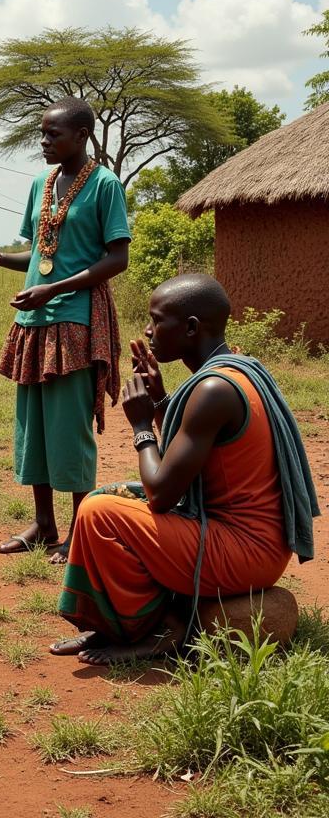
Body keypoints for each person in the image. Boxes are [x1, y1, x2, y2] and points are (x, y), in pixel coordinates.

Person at [51, 274, 320, 666]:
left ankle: (154, 630)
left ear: (191, 327)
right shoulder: (235, 371)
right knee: (110, 496)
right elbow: (190, 458)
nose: (148, 330)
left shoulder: (214, 391)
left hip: (245, 551)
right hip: (252, 541)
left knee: (98, 512)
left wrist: (143, 427)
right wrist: (161, 399)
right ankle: (127, 623)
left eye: (157, 320)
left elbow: (162, 493)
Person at [0, 97, 129, 563]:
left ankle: (81, 530)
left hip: (76, 321)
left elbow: (116, 259)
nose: (43, 142)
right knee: (33, 427)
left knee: (68, 427)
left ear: (82, 136)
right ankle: (43, 524)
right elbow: (40, 253)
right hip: (33, 321)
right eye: (42, 134)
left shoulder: (104, 185)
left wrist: (52, 290)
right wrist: (2, 259)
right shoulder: (41, 183)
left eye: (52, 135)